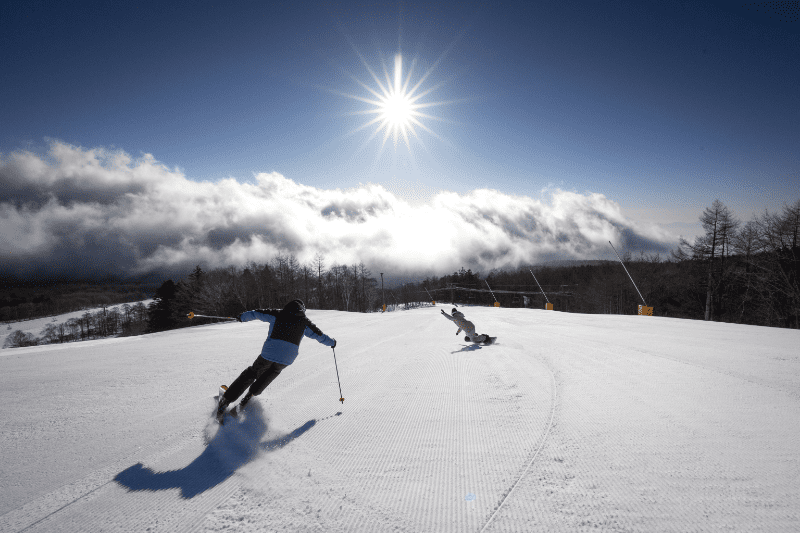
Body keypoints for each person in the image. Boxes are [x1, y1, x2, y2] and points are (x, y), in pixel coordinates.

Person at [217, 299, 336, 420]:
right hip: (287, 358)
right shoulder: (305, 322)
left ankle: (226, 401)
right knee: (270, 374)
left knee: (252, 373)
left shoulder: (277, 314)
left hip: (270, 352)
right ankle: (245, 402)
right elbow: (320, 335)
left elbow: (256, 313)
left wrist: (242, 317)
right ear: (302, 310)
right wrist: (332, 342)